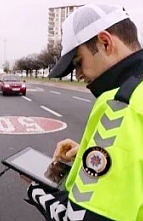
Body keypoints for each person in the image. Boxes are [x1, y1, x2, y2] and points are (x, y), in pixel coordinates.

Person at [22, 3, 143, 221]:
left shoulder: (120, 105)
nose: (78, 75)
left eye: (78, 62)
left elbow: (76, 218)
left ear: (105, 43)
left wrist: (35, 188)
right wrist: (89, 156)